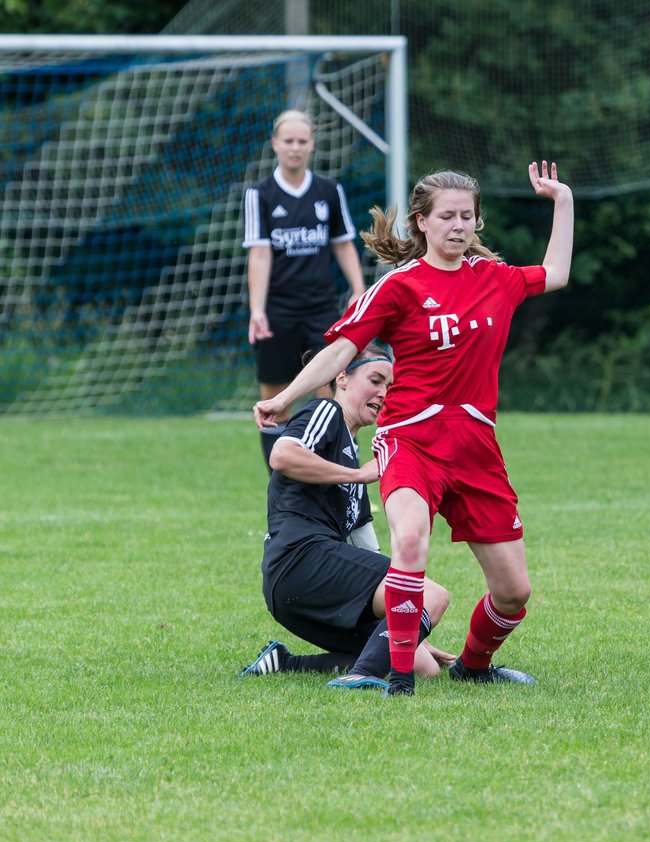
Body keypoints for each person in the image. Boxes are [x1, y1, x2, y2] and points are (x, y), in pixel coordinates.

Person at [254, 161, 574, 697]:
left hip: (475, 448)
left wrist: (562, 201)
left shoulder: (495, 281)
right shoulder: (398, 286)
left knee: (514, 591)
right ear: (422, 223)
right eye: (447, 216)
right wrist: (286, 397)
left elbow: (557, 273)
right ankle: (397, 676)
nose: (459, 226)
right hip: (409, 438)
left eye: (467, 216)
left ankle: (474, 667)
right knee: (409, 542)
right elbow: (342, 348)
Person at [239, 341, 455, 690]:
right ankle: (361, 676)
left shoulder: (351, 459)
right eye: (375, 379)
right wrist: (359, 474)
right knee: (433, 595)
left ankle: (284, 662)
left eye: (388, 386)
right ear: (342, 377)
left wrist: (407, 629)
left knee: (422, 665)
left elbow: (369, 555)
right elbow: (282, 455)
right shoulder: (327, 412)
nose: (383, 393)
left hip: (292, 593)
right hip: (300, 559)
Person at [243, 109, 367, 468]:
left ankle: (341, 482)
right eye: (288, 141)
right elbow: (260, 254)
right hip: (278, 310)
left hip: (321, 309)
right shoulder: (260, 195)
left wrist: (358, 289)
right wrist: (257, 310)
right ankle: (281, 488)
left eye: (302, 141)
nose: (295, 148)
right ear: (275, 145)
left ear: (312, 144)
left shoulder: (328, 191)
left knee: (333, 394)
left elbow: (343, 243)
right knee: (276, 398)